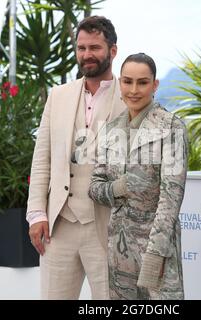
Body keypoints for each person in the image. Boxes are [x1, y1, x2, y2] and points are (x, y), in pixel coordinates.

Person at [26, 16, 126, 299]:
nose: (86, 55)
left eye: (94, 47)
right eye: (81, 48)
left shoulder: (128, 96)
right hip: (59, 226)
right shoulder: (58, 95)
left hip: (108, 227)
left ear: (113, 51)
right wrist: (36, 214)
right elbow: (41, 157)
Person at [88, 53, 188, 300]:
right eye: (128, 81)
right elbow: (94, 186)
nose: (134, 90)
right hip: (119, 250)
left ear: (154, 85)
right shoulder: (111, 130)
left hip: (156, 249)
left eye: (142, 82)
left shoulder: (171, 127)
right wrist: (117, 189)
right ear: (120, 83)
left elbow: (171, 199)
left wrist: (156, 253)